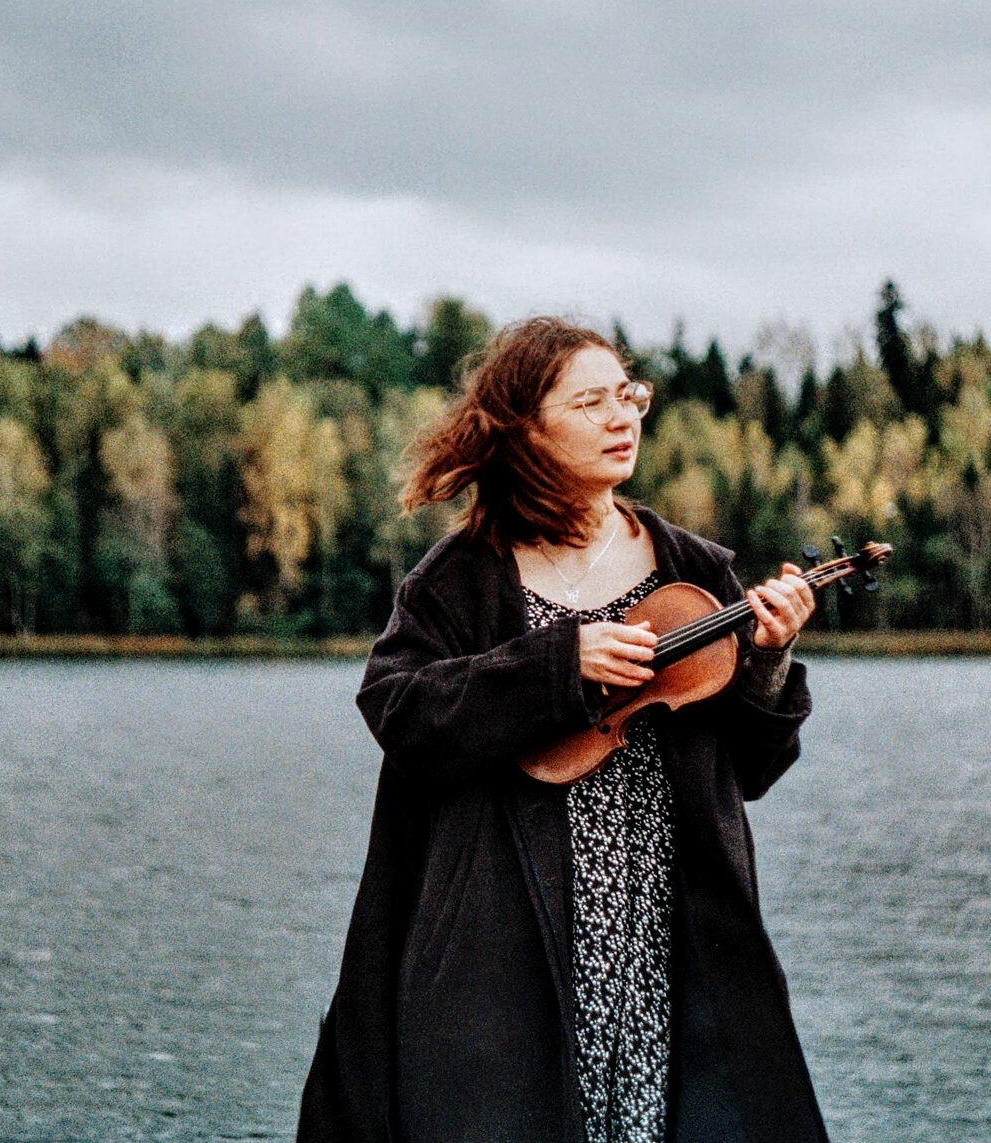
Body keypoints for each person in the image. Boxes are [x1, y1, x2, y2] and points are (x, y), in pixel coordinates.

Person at [297, 317, 828, 1143]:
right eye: (591, 401)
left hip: (664, 928)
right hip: (507, 938)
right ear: (526, 429)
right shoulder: (460, 579)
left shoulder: (693, 570)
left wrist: (769, 656)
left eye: (630, 395)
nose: (624, 418)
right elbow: (399, 710)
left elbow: (752, 767)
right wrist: (555, 668)